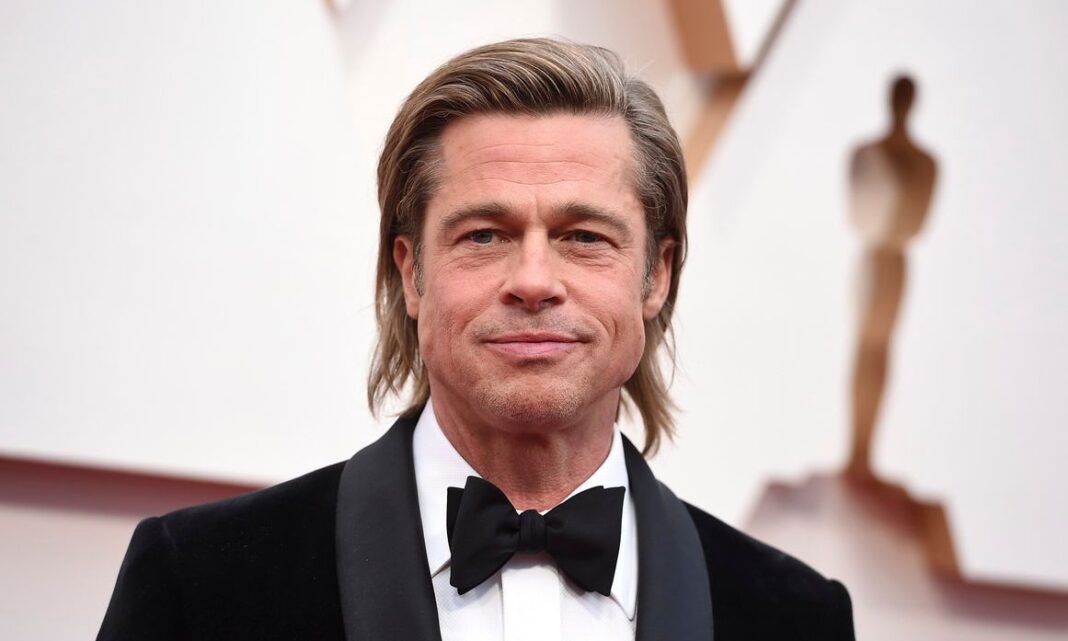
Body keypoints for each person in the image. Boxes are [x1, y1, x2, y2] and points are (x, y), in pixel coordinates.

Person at [97, 38, 855, 641]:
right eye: (485, 235)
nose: (534, 280)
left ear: (655, 275)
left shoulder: (796, 619)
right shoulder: (200, 581)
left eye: (584, 236)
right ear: (412, 273)